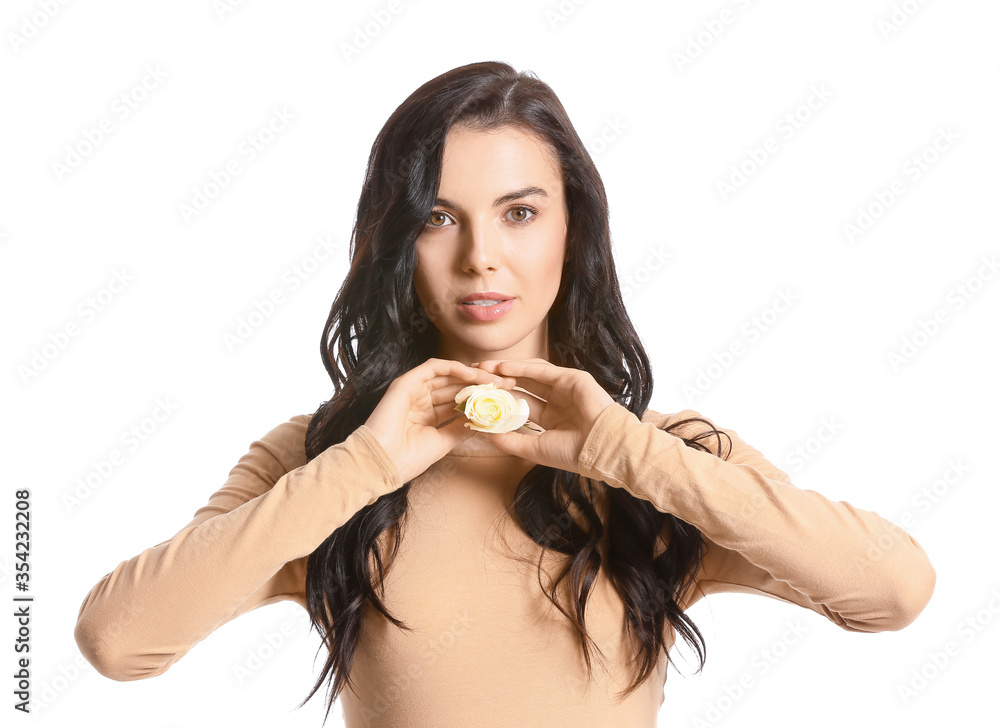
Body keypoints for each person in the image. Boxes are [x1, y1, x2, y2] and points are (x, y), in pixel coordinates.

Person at [74, 61, 936, 727]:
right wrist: (365, 463)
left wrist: (625, 454)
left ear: (574, 229)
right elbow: (118, 641)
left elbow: (893, 592)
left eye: (519, 213)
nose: (481, 255)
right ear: (395, 241)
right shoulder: (324, 458)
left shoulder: (659, 459)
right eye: (439, 218)